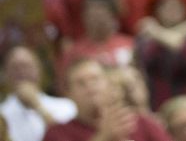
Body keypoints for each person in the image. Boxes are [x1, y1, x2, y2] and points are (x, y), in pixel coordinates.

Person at [41, 58, 171, 141]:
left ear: (109, 85)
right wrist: (104, 137)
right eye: (81, 83)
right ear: (68, 93)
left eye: (95, 79)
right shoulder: (57, 134)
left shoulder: (141, 122)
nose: (90, 87)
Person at [0, 47, 77, 141]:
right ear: (6, 74)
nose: (22, 72)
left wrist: (38, 106)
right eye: (15, 68)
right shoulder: (2, 112)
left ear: (39, 69)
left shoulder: (66, 106)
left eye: (26, 66)